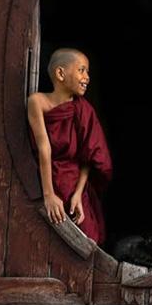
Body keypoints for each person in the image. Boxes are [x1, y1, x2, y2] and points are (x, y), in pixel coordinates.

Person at [26, 48, 113, 245]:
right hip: (44, 181)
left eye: (88, 72)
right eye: (82, 70)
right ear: (60, 73)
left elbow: (88, 157)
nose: (87, 77)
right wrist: (49, 195)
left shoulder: (84, 110)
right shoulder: (37, 102)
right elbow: (44, 148)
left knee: (90, 239)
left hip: (74, 184)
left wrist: (78, 195)